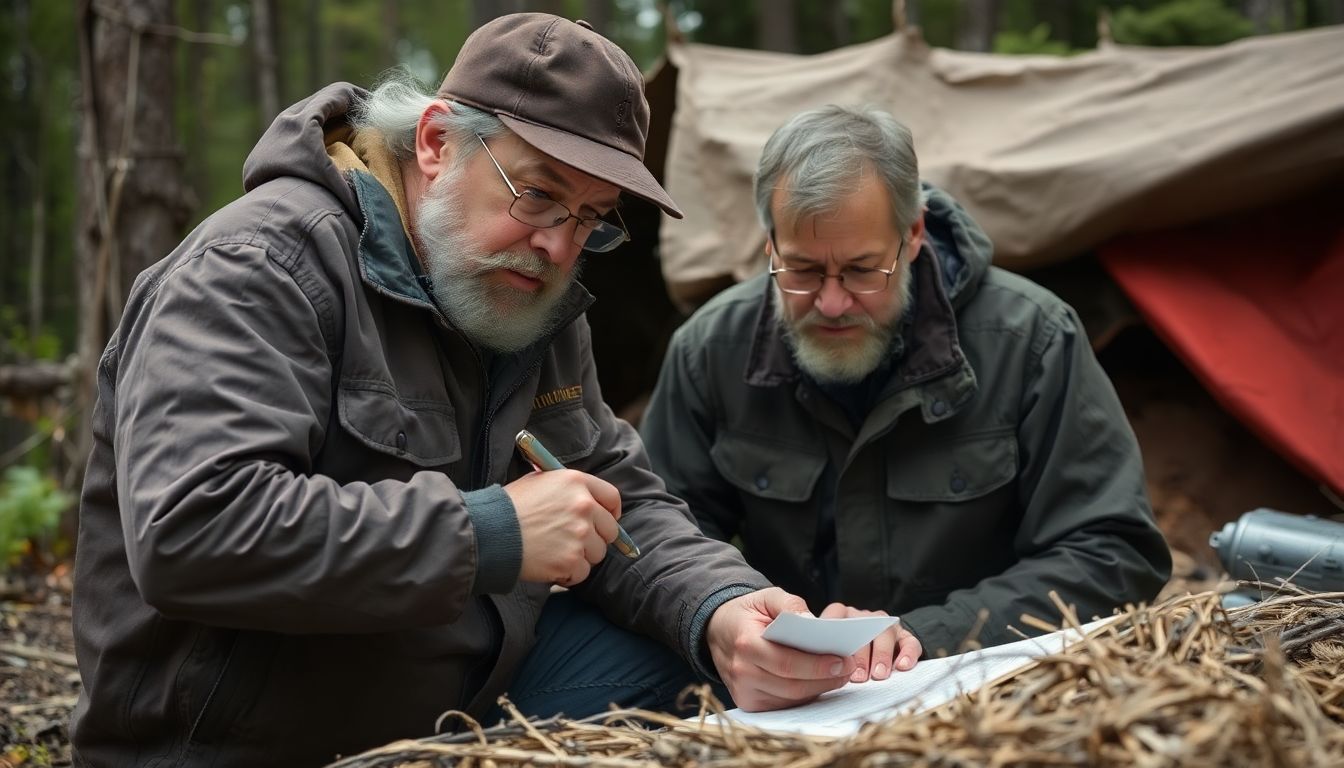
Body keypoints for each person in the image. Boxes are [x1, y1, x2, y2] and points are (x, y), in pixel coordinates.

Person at [69, 17, 919, 767]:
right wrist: (490, 534)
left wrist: (725, 612)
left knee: (701, 657)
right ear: (437, 142)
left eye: (590, 218)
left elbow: (619, 499)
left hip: (460, 709)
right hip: (253, 740)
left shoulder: (526, 294)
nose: (556, 246)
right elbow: (194, 528)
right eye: (539, 194)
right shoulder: (258, 268)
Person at [641, 104, 1172, 660]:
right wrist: (730, 615)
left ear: (913, 233)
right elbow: (661, 540)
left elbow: (1112, 552)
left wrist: (927, 636)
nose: (832, 302)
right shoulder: (709, 351)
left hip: (983, 689)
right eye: (800, 270)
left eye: (863, 270)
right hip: (779, 701)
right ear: (769, 244)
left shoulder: (1032, 341)